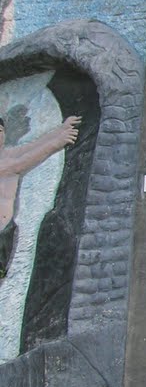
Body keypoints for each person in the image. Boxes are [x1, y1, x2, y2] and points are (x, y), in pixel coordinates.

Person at [0, 113, 81, 276]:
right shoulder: (6, 163)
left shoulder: (5, 154)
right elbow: (21, 163)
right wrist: (56, 144)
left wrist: (60, 130)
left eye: (0, 130)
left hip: (5, 232)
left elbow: (31, 146)